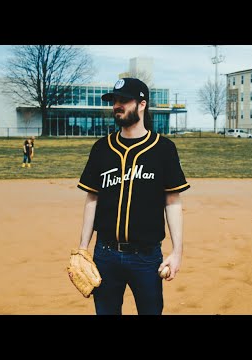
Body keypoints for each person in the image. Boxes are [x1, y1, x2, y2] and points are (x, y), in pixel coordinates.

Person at [76, 78, 190, 315]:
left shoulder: (163, 149)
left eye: (124, 100)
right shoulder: (102, 148)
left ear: (142, 104)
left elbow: (173, 201)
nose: (117, 105)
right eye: (114, 101)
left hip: (147, 258)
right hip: (105, 254)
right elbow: (92, 199)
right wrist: (82, 249)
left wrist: (177, 252)